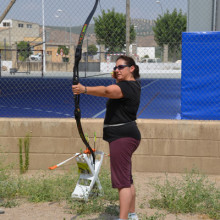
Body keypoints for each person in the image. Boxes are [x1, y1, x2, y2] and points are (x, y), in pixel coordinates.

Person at [72, 55, 141, 220]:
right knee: (126, 178)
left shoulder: (128, 86)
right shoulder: (129, 85)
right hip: (125, 135)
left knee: (122, 182)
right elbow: (115, 89)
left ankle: (123, 218)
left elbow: (108, 91)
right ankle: (131, 215)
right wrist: (118, 77)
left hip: (122, 137)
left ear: (132, 68)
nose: (117, 70)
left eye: (121, 67)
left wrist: (84, 89)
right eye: (115, 68)